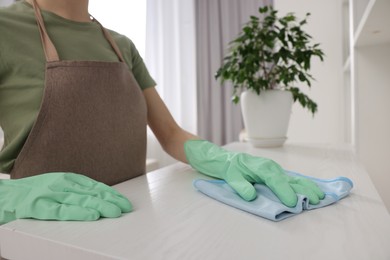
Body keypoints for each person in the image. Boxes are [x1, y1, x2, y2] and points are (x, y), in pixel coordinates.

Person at [0, 0, 324, 225]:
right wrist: (12, 196)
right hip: (40, 235)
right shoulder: (5, 29)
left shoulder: (120, 44)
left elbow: (170, 134)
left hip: (133, 224)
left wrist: (222, 158)